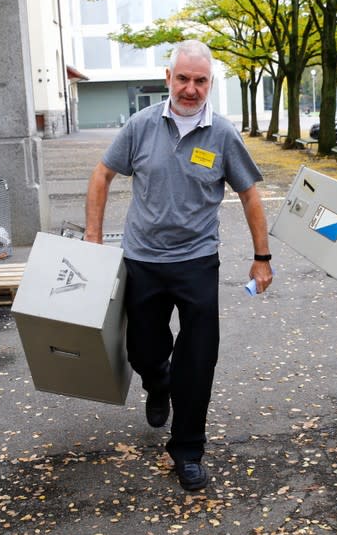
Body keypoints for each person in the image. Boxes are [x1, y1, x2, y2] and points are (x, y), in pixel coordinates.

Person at [85, 39, 273, 491]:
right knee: (143, 351)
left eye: (200, 80)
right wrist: (92, 238)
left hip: (197, 262)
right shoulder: (141, 125)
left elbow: (249, 194)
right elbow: (101, 175)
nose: (191, 89)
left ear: (211, 83)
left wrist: (261, 257)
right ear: (168, 78)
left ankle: (187, 449)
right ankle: (158, 381)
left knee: (199, 359)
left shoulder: (223, 134)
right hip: (144, 260)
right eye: (183, 79)